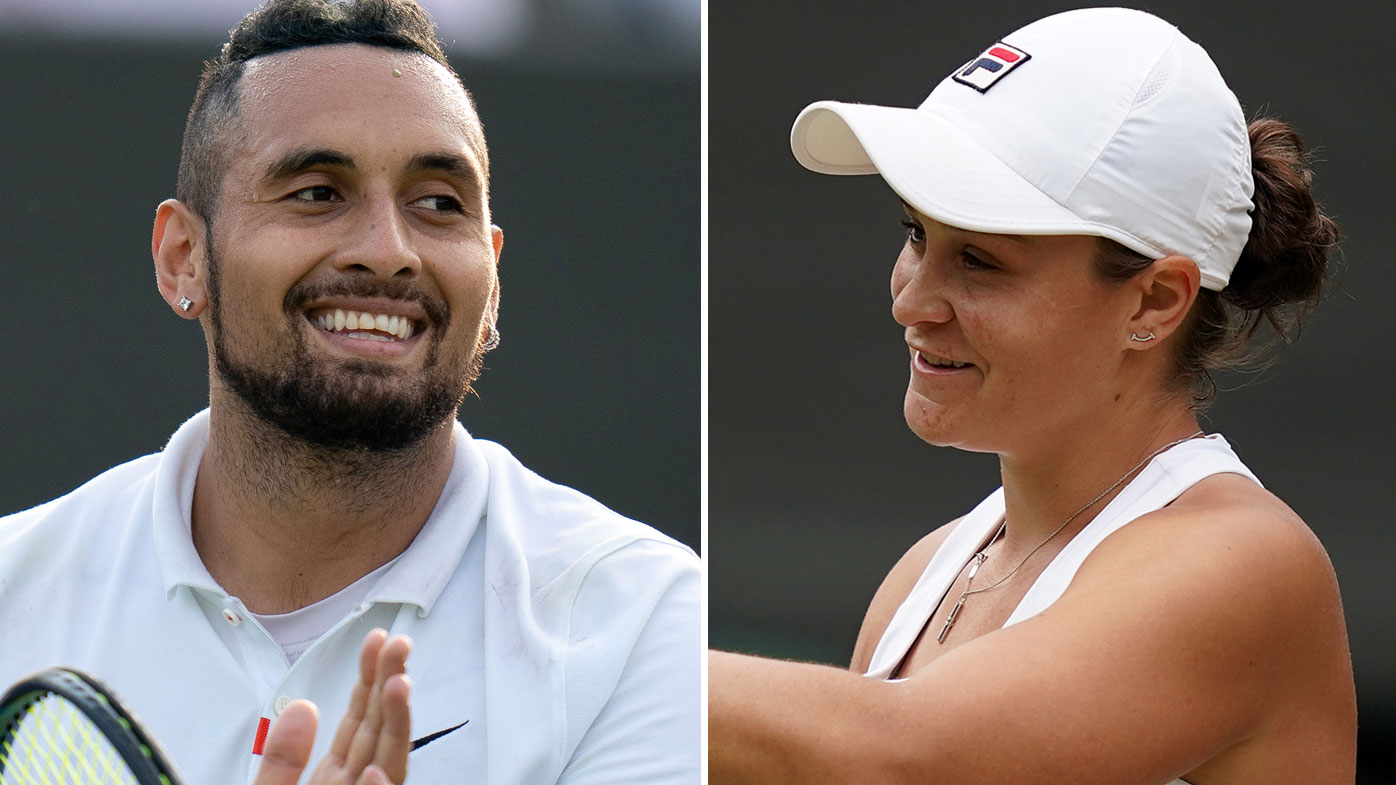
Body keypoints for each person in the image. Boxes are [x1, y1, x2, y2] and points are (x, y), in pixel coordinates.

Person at [0, 1, 699, 784]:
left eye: (439, 203)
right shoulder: (11, 591)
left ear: (493, 277)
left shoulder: (642, 617)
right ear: (183, 258)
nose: (388, 251)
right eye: (317, 192)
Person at [709, 7, 1355, 784]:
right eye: (917, 235)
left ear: (1154, 302)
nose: (913, 301)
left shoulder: (1245, 562)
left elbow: (907, 758)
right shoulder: (928, 574)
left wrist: (601, 659)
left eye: (979, 259)